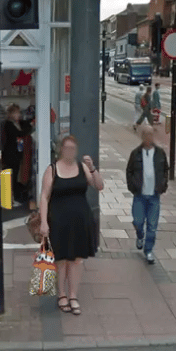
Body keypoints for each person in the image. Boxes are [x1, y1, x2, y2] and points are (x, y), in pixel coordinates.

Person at [39, 135, 103, 315]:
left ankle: (73, 295)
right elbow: (44, 196)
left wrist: (92, 168)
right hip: (59, 221)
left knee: (76, 260)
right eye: (67, 148)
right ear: (61, 149)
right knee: (61, 260)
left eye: (73, 148)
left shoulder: (82, 168)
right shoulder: (52, 170)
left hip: (80, 220)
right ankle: (62, 295)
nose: (70, 152)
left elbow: (99, 186)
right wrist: (44, 222)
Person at [125, 125, 169, 264]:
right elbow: (129, 170)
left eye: (151, 134)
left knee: (152, 225)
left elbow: (165, 170)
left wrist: (162, 185)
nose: (148, 137)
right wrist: (132, 186)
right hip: (139, 195)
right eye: (146, 134)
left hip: (154, 196)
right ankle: (139, 235)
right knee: (138, 221)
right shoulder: (136, 153)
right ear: (142, 136)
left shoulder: (160, 153)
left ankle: (148, 250)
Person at [2, 103, 33, 206]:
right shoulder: (8, 124)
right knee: (12, 176)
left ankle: (14, 197)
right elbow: (19, 134)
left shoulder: (18, 123)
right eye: (16, 113)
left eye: (19, 113)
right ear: (11, 114)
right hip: (10, 154)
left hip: (17, 154)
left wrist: (32, 122)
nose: (19, 115)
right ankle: (11, 198)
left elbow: (26, 124)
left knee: (15, 175)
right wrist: (31, 129)